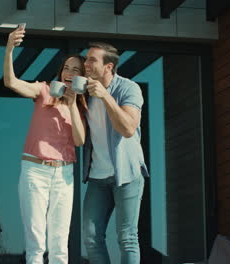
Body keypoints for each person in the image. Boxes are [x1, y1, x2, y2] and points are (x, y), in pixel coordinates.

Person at [4, 25, 87, 264]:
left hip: (64, 174)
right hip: (35, 171)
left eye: (76, 70)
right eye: (66, 68)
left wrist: (72, 104)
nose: (69, 73)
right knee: (36, 242)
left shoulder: (80, 107)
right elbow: (11, 82)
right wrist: (9, 48)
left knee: (60, 245)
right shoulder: (43, 91)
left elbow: (79, 141)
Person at [82, 42, 149, 264]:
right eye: (86, 59)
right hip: (97, 177)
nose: (86, 64)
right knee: (91, 237)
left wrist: (105, 96)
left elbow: (128, 128)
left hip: (127, 175)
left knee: (127, 237)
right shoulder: (85, 92)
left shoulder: (129, 89)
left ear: (108, 66)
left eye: (92, 60)